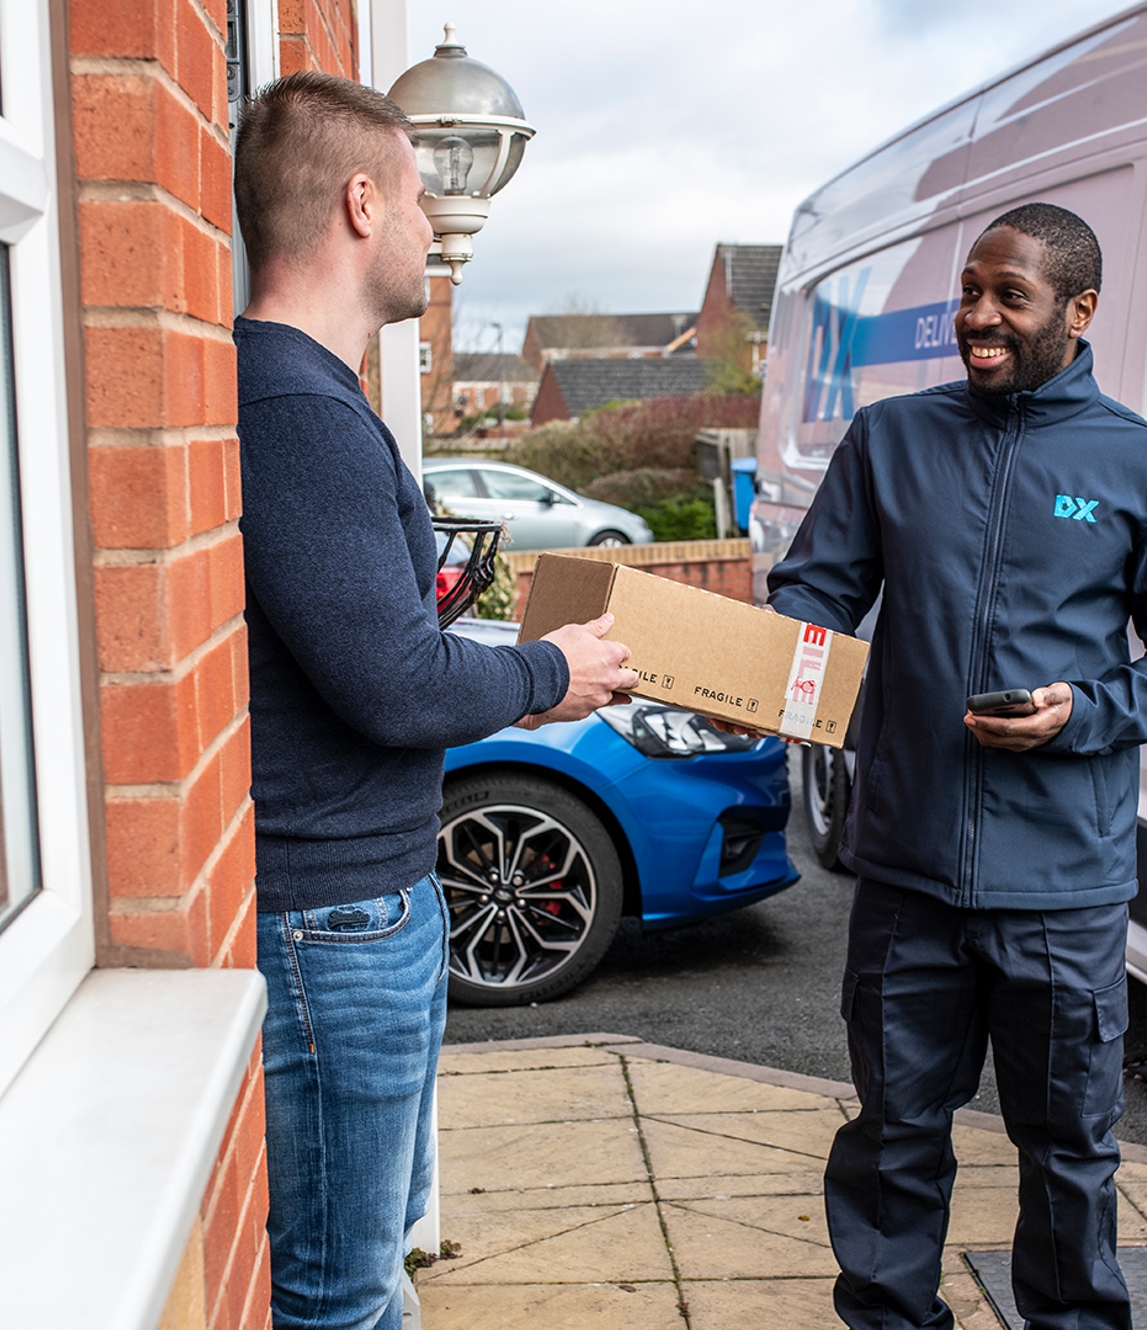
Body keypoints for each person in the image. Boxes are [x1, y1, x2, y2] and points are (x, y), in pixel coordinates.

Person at [767, 203, 1147, 1330]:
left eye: (1009, 296)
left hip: (1063, 887)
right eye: (970, 292)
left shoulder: (1146, 465)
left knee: (1070, 1152)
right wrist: (779, 655)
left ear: (1079, 311)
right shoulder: (890, 440)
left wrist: (1085, 711)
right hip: (907, 870)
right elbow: (817, 587)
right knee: (892, 1140)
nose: (978, 316)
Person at [231, 72, 639, 1330]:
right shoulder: (296, 412)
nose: (431, 230)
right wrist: (551, 674)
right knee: (343, 1295)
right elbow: (396, 683)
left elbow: (375, 643)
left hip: (364, 906)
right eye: (417, 200)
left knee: (375, 1272)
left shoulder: (309, 398)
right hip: (333, 926)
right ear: (362, 204)